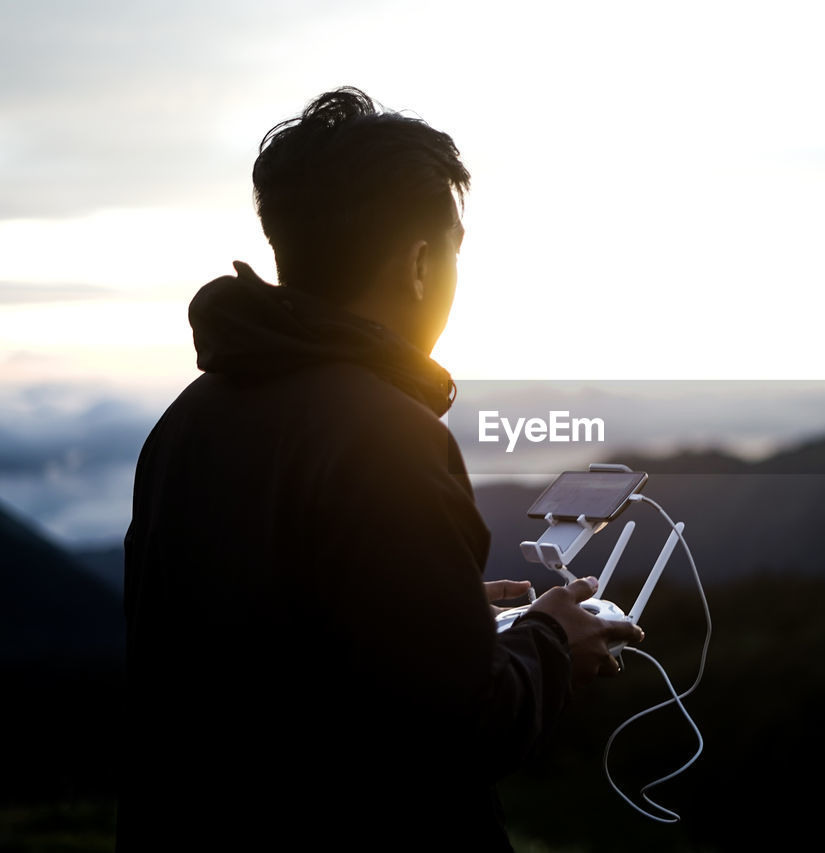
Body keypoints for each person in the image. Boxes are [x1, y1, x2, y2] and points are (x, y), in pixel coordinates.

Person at [118, 87, 642, 851]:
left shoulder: (188, 419)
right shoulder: (385, 436)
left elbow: (273, 655)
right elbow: (462, 726)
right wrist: (554, 641)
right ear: (423, 265)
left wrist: (442, 612)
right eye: (456, 252)